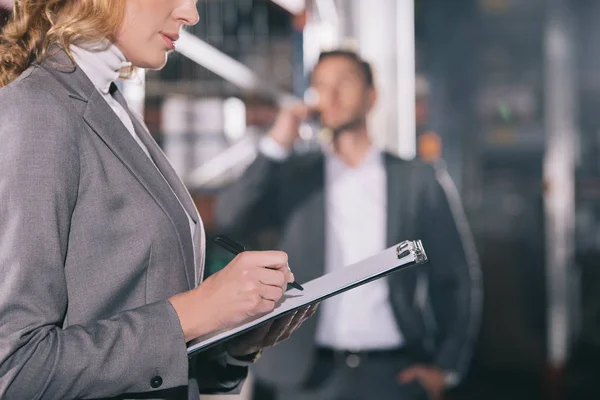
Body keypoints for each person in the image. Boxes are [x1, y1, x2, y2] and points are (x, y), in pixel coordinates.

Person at [0, 1, 314, 399]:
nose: (192, 14)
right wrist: (196, 310)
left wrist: (231, 344)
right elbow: (14, 367)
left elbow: (148, 349)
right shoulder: (37, 110)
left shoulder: (109, 104)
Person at [215, 50, 482, 400]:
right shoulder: (295, 177)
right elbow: (230, 216)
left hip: (394, 375)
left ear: (372, 96)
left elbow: (457, 279)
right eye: (321, 85)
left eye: (345, 82)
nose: (332, 94)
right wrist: (277, 143)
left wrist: (445, 368)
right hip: (303, 378)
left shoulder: (419, 181)